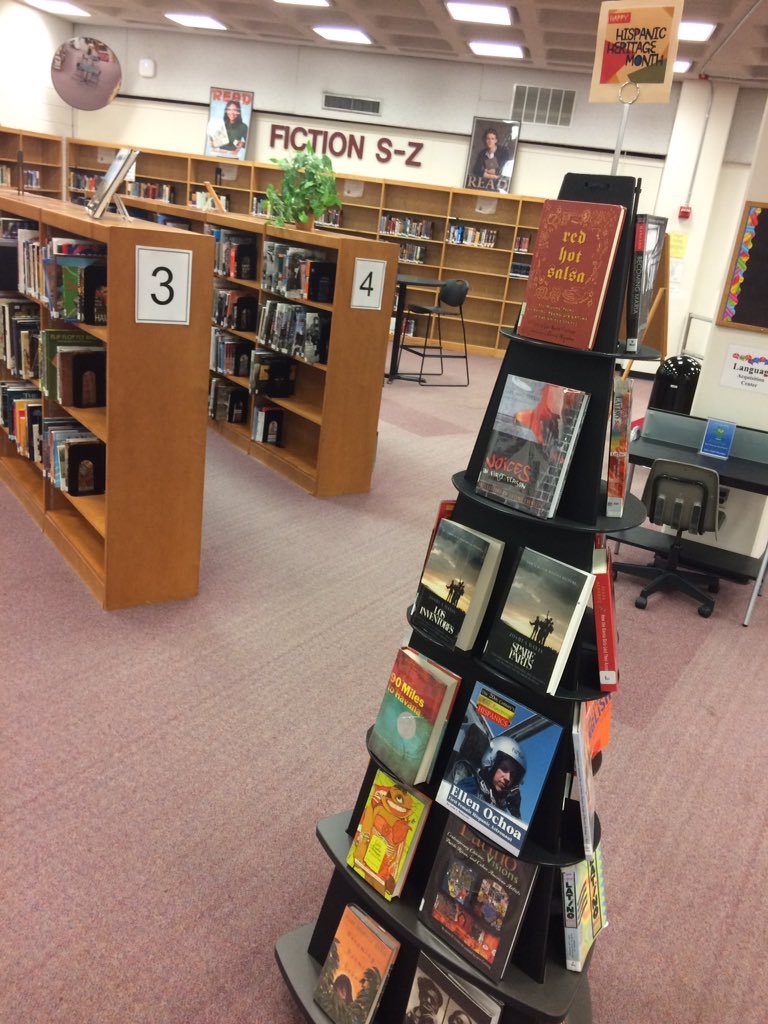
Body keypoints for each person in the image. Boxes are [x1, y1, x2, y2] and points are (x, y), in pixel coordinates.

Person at [452, 735, 526, 818]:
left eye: (512, 775)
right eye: (504, 768)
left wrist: (515, 813)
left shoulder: (501, 807)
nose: (508, 778)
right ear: (492, 764)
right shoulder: (472, 786)